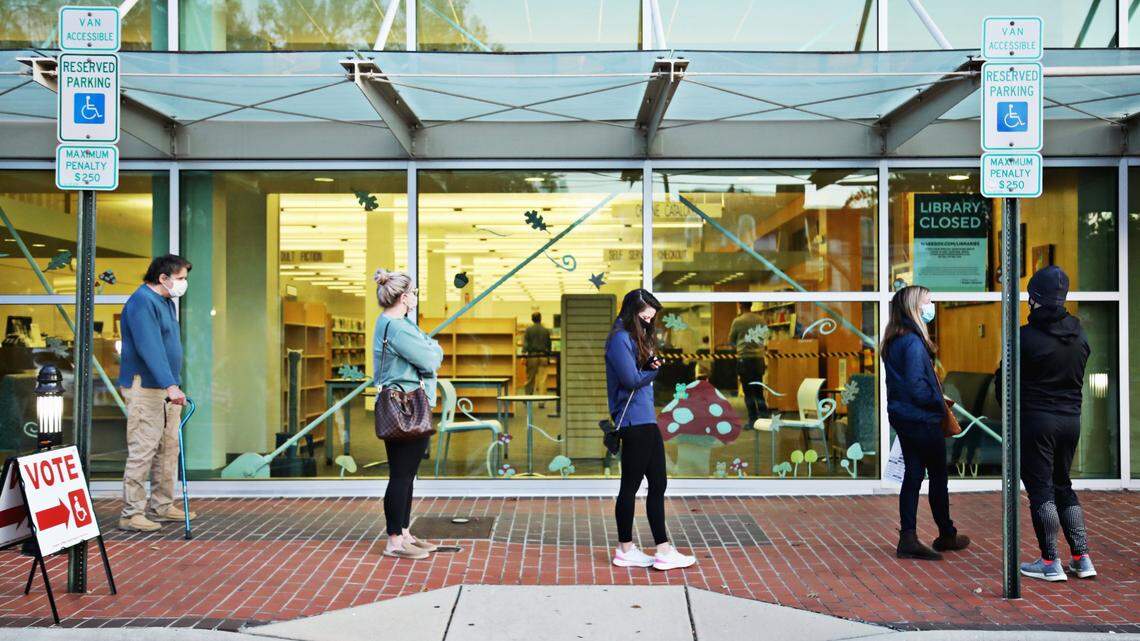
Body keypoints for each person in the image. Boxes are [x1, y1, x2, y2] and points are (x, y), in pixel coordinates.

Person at [1002, 266, 1095, 582]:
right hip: (1071, 420)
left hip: (1037, 421)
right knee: (1063, 484)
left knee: (1041, 489)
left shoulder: (1024, 337)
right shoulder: (1079, 333)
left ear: (1034, 298)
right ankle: (1082, 558)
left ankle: (1049, 560)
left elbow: (1005, 385)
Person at [606, 289, 696, 571]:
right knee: (629, 488)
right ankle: (625, 549)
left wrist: (649, 364)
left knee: (658, 484)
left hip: (646, 420)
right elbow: (631, 380)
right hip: (633, 422)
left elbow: (637, 373)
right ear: (633, 311)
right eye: (644, 317)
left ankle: (663, 550)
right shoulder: (619, 339)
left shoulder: (633, 337)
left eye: (651, 319)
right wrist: (654, 371)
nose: (648, 322)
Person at [881, 285, 970, 560]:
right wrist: (939, 404)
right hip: (922, 419)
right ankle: (945, 534)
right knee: (937, 478)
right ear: (915, 307)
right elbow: (918, 387)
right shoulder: (913, 342)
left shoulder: (894, 339)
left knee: (914, 475)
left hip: (904, 417)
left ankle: (909, 536)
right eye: (928, 301)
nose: (932, 306)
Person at [118, 254, 194, 532]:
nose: (184, 284)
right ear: (163, 278)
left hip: (166, 387)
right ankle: (131, 512)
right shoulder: (142, 303)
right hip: (147, 387)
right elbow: (149, 348)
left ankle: (162, 504)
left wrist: (172, 383)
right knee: (143, 448)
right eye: (181, 279)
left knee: (168, 447)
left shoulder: (165, 303)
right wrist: (170, 384)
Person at [373, 269, 443, 560]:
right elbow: (431, 358)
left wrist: (431, 349)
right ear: (404, 297)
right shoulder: (399, 328)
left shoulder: (397, 323)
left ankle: (403, 532)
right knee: (401, 475)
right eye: (413, 292)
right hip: (405, 405)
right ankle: (394, 540)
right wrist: (433, 350)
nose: (415, 296)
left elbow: (429, 351)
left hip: (408, 403)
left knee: (407, 474)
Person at [727, 302, 768, 426]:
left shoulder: (738, 321)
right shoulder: (761, 320)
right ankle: (764, 418)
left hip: (744, 359)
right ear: (751, 305)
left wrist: (740, 346)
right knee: (758, 390)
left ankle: (753, 419)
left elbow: (731, 340)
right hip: (758, 359)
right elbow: (765, 336)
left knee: (748, 391)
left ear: (740, 306)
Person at [522, 311, 551, 395]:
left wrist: (524, 354)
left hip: (532, 356)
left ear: (532, 319)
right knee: (542, 379)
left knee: (530, 378)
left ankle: (528, 398)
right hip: (543, 356)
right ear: (540, 319)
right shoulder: (545, 330)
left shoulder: (528, 330)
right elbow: (549, 344)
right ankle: (542, 400)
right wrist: (548, 356)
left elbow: (526, 343)